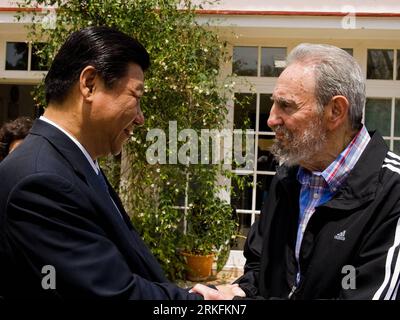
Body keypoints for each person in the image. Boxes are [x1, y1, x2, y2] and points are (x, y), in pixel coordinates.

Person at [0, 26, 225, 299]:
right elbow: (109, 293)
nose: (141, 118)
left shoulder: (71, 162)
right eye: (136, 97)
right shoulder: (41, 180)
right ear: (90, 84)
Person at [193, 43, 400, 300]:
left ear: (335, 111)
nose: (271, 119)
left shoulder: (392, 191)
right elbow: (259, 265)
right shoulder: (288, 177)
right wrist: (239, 290)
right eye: (273, 104)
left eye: (286, 106)